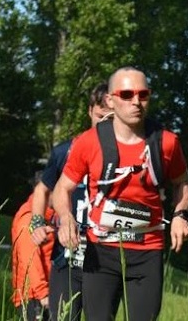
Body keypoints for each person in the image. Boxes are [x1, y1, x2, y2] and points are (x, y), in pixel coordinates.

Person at [52, 66, 188, 321]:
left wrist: (181, 214)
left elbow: (183, 182)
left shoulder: (166, 142)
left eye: (143, 94)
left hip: (147, 250)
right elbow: (62, 188)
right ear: (110, 100)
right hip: (101, 251)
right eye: (127, 95)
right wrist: (66, 217)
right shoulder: (89, 141)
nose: (136, 102)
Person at [29, 82, 113, 321]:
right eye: (100, 116)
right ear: (89, 111)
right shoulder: (65, 151)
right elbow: (42, 190)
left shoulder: (126, 156)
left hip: (105, 259)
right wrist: (37, 223)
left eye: (111, 117)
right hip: (66, 257)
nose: (105, 123)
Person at [11, 182, 55, 321]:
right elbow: (29, 258)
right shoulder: (28, 219)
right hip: (34, 299)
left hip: (43, 294)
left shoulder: (48, 218)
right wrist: (43, 294)